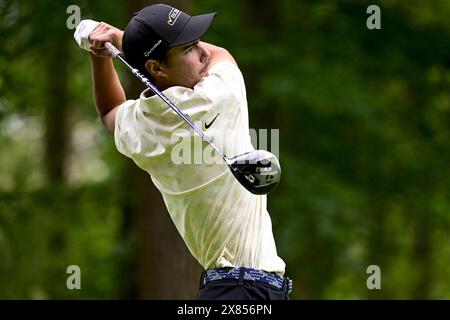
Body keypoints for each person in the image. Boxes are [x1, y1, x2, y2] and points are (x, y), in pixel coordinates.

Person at [74, 3, 292, 300]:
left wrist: (101, 57)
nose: (203, 52)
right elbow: (222, 56)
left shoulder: (143, 124)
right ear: (156, 68)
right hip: (244, 290)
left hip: (227, 289)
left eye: (198, 42)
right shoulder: (217, 97)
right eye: (188, 48)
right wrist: (122, 39)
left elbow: (110, 110)